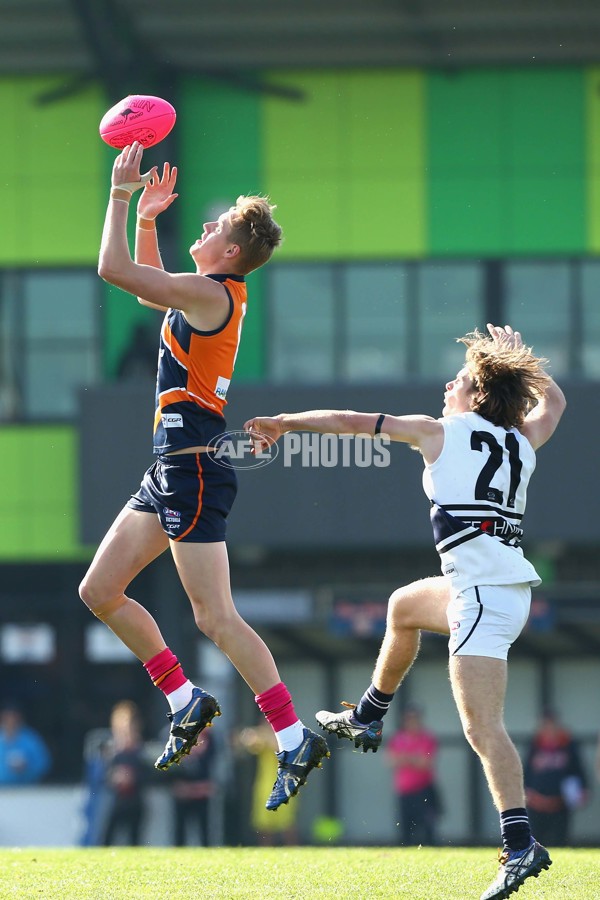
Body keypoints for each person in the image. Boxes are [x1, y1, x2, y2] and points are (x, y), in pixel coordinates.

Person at [245, 324, 565, 899]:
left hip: (483, 595)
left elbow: (348, 421)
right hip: (496, 588)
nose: (449, 383)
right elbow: (556, 402)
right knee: (403, 607)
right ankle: (370, 713)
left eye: (462, 378)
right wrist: (518, 359)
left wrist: (285, 423)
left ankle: (520, 845)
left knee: (481, 727)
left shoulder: (439, 431)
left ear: (478, 393)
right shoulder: (523, 439)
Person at [79, 141, 329, 812]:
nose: (204, 227)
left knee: (215, 616)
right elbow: (150, 286)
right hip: (170, 468)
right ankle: (187, 699)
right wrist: (149, 221)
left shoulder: (212, 292)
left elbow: (114, 272)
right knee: (100, 590)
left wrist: (121, 193)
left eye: (213, 227)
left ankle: (291, 733)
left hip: (191, 469)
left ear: (229, 254)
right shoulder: (205, 294)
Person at [524, 709, 588, 847]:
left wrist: (583, 789)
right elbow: (526, 771)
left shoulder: (568, 744)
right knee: (536, 839)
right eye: (545, 724)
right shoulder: (535, 744)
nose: (548, 728)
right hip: (536, 802)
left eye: (551, 724)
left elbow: (578, 769)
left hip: (560, 802)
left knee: (560, 839)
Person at [236, 722, 300, 845]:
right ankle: (266, 854)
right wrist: (247, 736)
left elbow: (279, 747)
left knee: (287, 824)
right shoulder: (263, 736)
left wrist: (265, 736)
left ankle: (293, 853)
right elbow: (244, 743)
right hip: (265, 786)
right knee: (264, 825)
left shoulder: (289, 735)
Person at [386, 703, 440, 846]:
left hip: (423, 790)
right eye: (409, 718)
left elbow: (425, 763)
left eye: (415, 718)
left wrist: (404, 758)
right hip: (404, 791)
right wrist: (413, 758)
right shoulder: (398, 738)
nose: (412, 721)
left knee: (427, 827)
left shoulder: (427, 738)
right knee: (405, 829)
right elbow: (390, 761)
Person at [101, 700, 148, 846]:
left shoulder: (140, 751)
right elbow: (103, 777)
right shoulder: (112, 752)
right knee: (108, 837)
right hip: (116, 801)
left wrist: (130, 776)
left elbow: (146, 775)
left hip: (135, 801)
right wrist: (114, 776)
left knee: (134, 840)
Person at [169, 728, 217, 846]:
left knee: (205, 831)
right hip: (182, 793)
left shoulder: (212, 738)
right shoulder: (175, 734)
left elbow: (217, 767)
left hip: (202, 793)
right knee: (179, 832)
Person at [0, 704, 51, 785]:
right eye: (6, 718)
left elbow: (44, 764)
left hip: (26, 791)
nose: (10, 721)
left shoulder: (31, 739)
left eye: (13, 717)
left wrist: (27, 768)